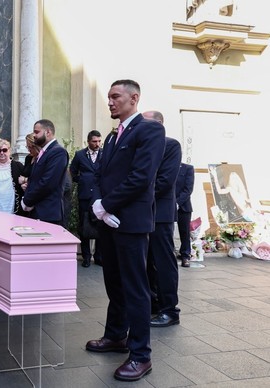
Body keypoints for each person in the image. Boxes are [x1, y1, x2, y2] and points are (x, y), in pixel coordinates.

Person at [85, 79, 165, 382]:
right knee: (114, 284)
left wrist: (105, 205)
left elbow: (141, 178)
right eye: (108, 97)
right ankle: (116, 336)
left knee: (135, 289)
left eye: (115, 96)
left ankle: (141, 355)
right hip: (109, 220)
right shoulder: (111, 136)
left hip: (130, 223)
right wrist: (98, 205)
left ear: (134, 98)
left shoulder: (149, 130)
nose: (110, 102)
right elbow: (101, 174)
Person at [142, 110, 182, 328]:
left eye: (145, 123)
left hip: (161, 214)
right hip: (143, 213)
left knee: (163, 262)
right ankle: (153, 304)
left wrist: (136, 195)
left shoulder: (171, 145)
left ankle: (170, 310)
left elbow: (164, 181)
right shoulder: (142, 146)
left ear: (158, 124)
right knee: (147, 262)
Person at [20, 119, 69, 225]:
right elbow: (35, 179)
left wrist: (27, 201)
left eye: (37, 132)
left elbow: (47, 183)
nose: (34, 136)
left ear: (48, 132)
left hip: (48, 213)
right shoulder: (44, 152)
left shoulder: (58, 152)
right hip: (37, 211)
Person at [69, 130, 104, 267]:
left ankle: (99, 256)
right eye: (94, 141)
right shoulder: (80, 155)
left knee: (100, 225)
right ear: (89, 141)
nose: (97, 144)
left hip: (100, 195)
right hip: (84, 195)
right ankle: (86, 257)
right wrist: (82, 179)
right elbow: (72, 171)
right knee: (84, 225)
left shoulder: (104, 154)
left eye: (99, 141)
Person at [176, 163, 195, 267]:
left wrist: (177, 202)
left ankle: (185, 255)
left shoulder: (187, 168)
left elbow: (188, 189)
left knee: (184, 232)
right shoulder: (165, 166)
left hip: (183, 206)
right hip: (166, 204)